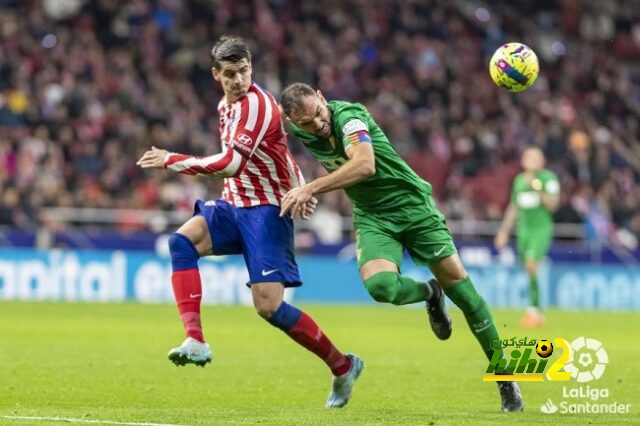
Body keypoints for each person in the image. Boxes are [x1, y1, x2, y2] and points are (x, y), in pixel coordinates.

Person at [136, 37, 363, 408]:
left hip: (266, 212)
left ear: (251, 69)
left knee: (268, 307)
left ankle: (342, 365)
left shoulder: (257, 105)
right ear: (216, 75)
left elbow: (231, 164)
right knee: (181, 242)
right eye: (230, 74)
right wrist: (299, 185)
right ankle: (195, 340)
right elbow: (279, 151)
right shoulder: (225, 106)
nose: (238, 79)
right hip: (234, 203)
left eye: (243, 71)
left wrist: (171, 159)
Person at [278, 82, 524, 412]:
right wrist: (299, 190)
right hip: (373, 217)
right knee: (380, 287)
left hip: (413, 207)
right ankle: (429, 294)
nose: (318, 125)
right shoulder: (302, 132)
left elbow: (365, 164)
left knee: (463, 293)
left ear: (323, 99)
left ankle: (504, 377)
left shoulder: (349, 117)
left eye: (319, 114)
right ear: (293, 122)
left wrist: (311, 189)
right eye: (307, 123)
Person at [495, 147, 560, 328]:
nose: (532, 160)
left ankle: (534, 310)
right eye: (529, 157)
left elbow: (553, 205)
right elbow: (514, 207)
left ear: (542, 161)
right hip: (523, 231)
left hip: (541, 230)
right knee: (528, 268)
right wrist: (503, 231)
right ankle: (536, 311)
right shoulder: (518, 181)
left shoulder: (548, 179)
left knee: (532, 264)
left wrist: (537, 188)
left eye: (536, 157)